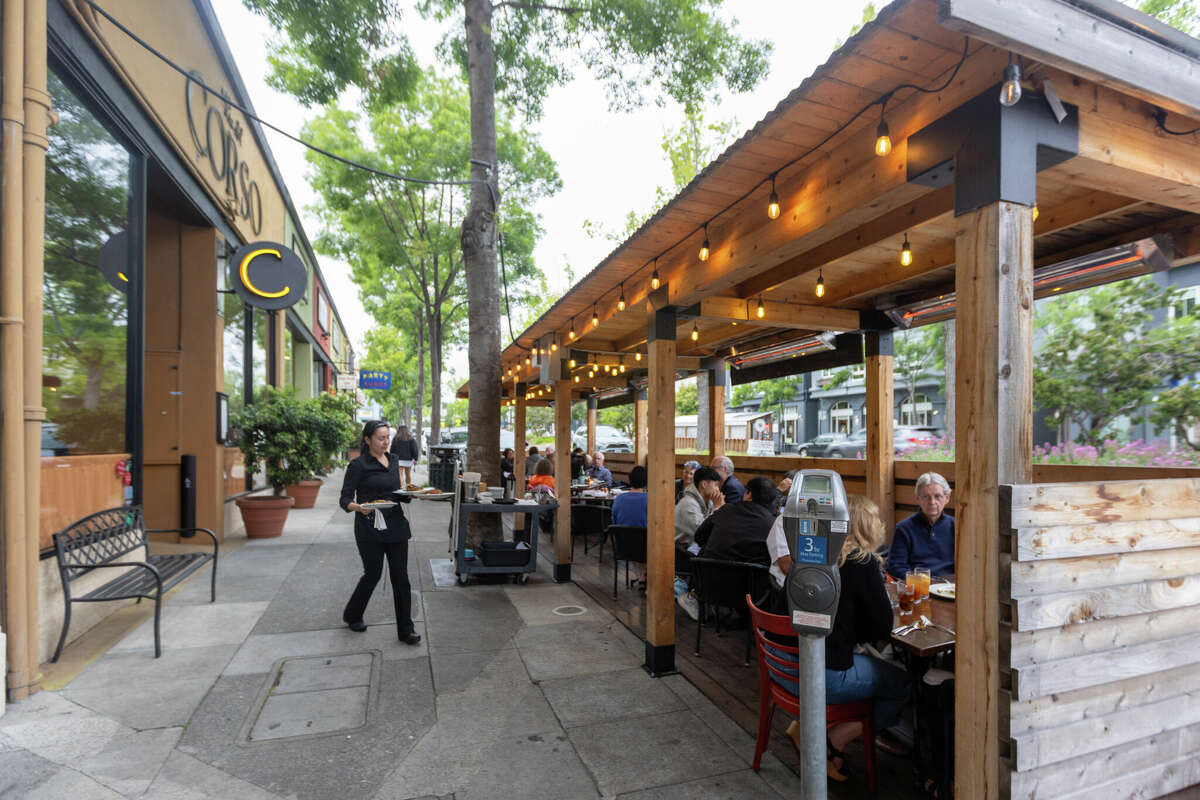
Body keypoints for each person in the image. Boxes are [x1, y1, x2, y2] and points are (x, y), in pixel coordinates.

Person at [763, 494, 910, 781]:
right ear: (867, 526)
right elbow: (881, 629)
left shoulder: (808, 552)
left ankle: (809, 728)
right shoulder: (862, 561)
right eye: (877, 519)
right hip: (816, 676)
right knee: (902, 683)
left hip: (781, 669)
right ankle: (833, 740)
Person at [340, 420, 420, 645]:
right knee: (373, 573)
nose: (386, 442)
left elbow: (396, 493)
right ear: (367, 440)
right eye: (380, 438)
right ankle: (353, 614)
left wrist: (410, 494)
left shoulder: (393, 460)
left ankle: (406, 630)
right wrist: (361, 508)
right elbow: (345, 500)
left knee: (401, 578)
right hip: (369, 527)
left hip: (396, 525)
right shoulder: (358, 465)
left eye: (387, 437)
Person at [887, 472, 955, 579]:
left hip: (949, 587)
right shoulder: (904, 528)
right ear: (917, 498)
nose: (932, 502)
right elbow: (896, 567)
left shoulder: (956, 527)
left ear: (947, 497)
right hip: (918, 587)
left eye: (938, 496)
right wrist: (920, 580)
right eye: (926, 497)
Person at [695, 476, 778, 564]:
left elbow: (699, 537)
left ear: (749, 494)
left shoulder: (725, 509)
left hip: (708, 573)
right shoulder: (773, 524)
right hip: (749, 576)